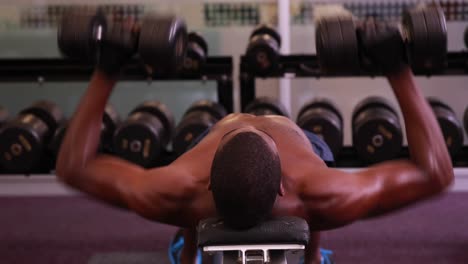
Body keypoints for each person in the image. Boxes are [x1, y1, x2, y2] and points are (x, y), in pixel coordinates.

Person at [56, 18, 454, 264]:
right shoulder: (321, 193)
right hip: (311, 187)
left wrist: (107, 70)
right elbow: (436, 173)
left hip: (192, 195)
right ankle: (313, 259)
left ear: (208, 176)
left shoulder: (177, 187)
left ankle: (193, 254)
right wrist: (397, 68)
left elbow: (74, 167)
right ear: (283, 182)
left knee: (183, 207)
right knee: (321, 195)